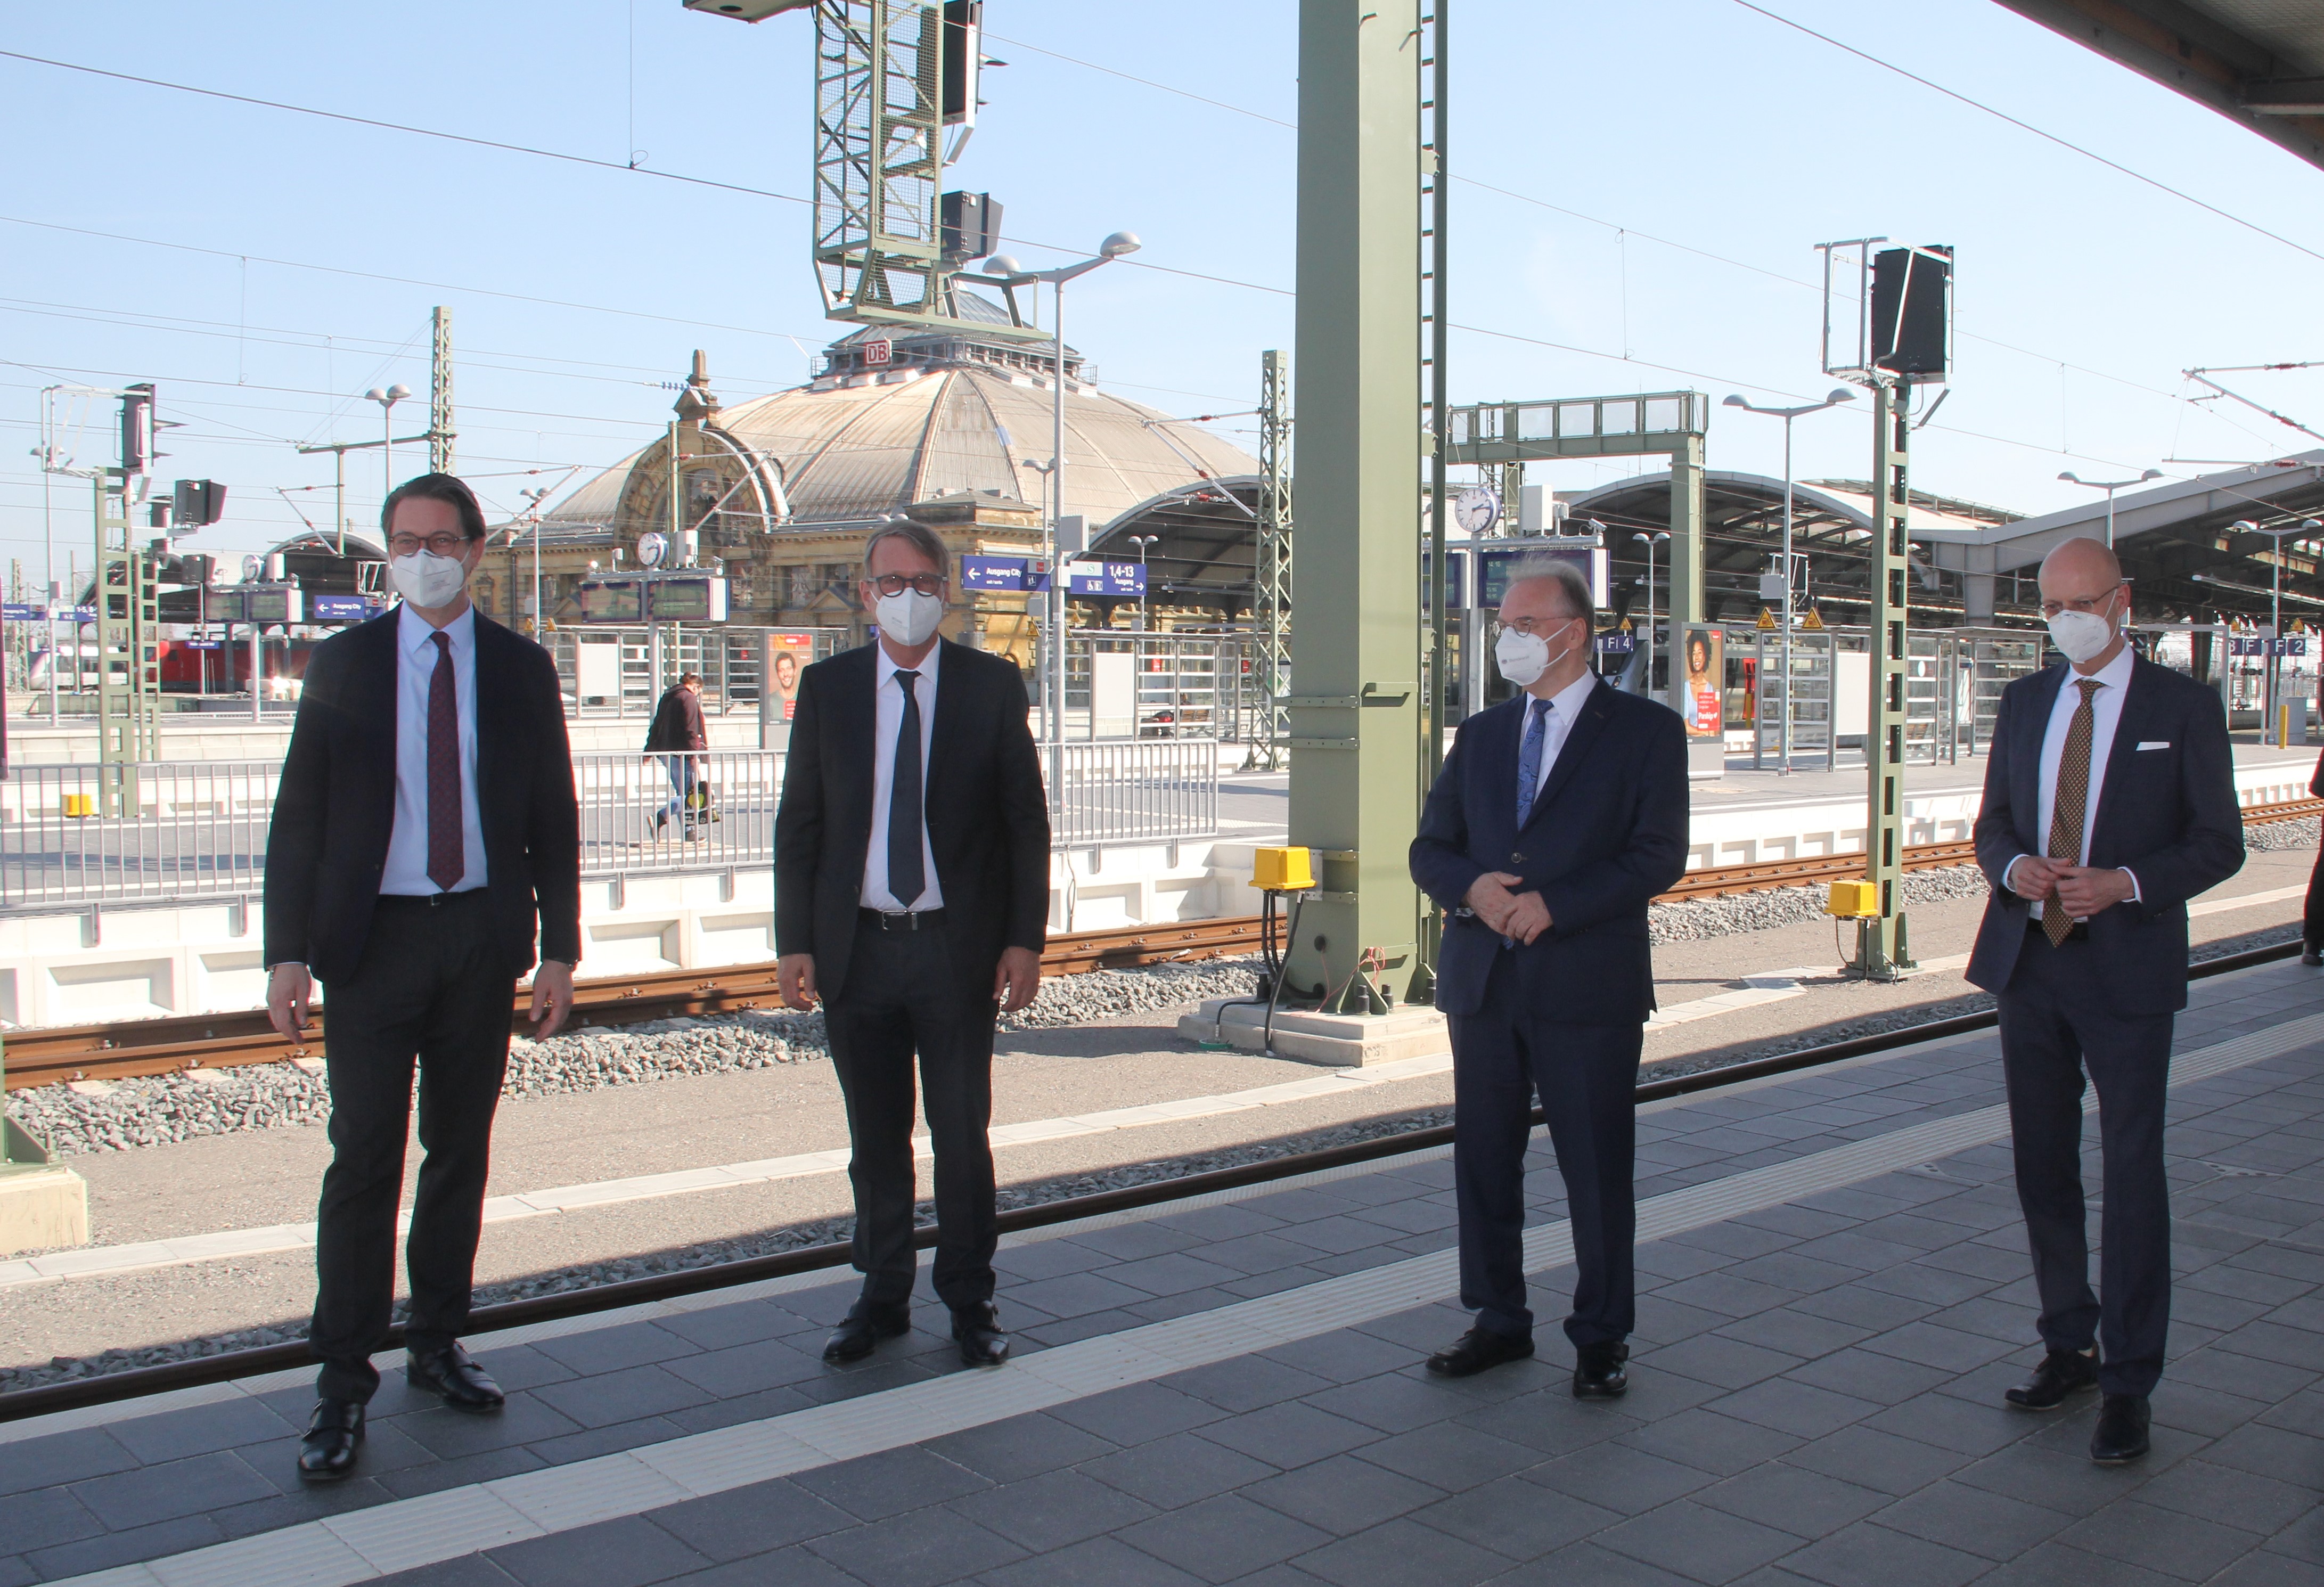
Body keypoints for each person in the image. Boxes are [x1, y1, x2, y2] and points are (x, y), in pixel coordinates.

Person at [264, 472, 580, 1483]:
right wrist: (285, 952)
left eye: (439, 540)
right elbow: (299, 817)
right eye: (404, 541)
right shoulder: (345, 663)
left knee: (458, 1150)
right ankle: (340, 1383)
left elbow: (553, 817)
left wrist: (560, 948)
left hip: (480, 938)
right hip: (372, 945)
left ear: (476, 552)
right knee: (363, 1161)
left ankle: (438, 1343)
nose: (421, 556)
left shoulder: (521, 670)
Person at [1966, 535, 2243, 1465]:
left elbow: (2218, 843)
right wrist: (2012, 867)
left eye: (2077, 603)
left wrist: (2123, 881)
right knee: (2040, 1165)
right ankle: (2064, 1344)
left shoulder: (2182, 707)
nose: (2062, 622)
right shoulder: (2022, 701)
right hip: (2027, 963)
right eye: (2047, 607)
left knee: (2129, 1173)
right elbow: (1990, 825)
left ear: (2120, 601)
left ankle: (2129, 1379)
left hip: (2123, 968)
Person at [1409, 558, 1688, 1397]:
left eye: (1526, 625)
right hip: (1484, 981)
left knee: (1596, 1166)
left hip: (1586, 984)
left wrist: (1555, 905)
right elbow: (1431, 848)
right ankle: (1498, 1317)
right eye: (1505, 625)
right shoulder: (1485, 734)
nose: (1511, 639)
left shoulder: (1644, 731)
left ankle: (1602, 1335)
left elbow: (1657, 855)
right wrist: (1473, 887)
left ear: (1577, 630)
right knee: (1484, 1158)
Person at [774, 520, 1049, 1368]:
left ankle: (972, 1299)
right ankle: (881, 1294)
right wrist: (795, 942)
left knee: (961, 1134)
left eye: (923, 581)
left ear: (947, 591)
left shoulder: (991, 688)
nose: (907, 597)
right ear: (866, 594)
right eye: (890, 583)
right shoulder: (828, 690)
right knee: (877, 1137)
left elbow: (1023, 826)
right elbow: (802, 825)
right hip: (858, 949)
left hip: (954, 951)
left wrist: (1024, 941)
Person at [644, 670, 709, 840]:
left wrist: (648, 750)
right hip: (682, 753)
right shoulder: (688, 699)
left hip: (667, 752)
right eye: (698, 692)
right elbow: (691, 730)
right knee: (689, 796)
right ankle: (661, 817)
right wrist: (694, 755)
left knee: (684, 792)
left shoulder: (669, 696)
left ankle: (689, 832)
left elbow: (656, 724)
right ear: (695, 687)